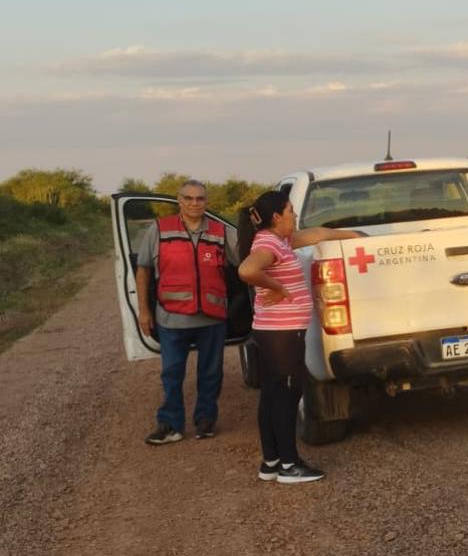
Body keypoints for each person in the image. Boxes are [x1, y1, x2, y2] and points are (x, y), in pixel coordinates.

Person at [237, 190, 364, 484]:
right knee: (287, 395)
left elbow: (318, 233)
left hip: (273, 331)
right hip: (281, 333)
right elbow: (247, 270)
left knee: (272, 394)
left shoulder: (279, 240)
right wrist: (278, 288)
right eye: (290, 210)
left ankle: (271, 462)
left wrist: (353, 235)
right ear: (276, 217)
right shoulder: (269, 244)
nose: (295, 214)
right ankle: (289, 465)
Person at [137, 179, 239, 444]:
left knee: (211, 372)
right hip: (171, 318)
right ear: (179, 201)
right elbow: (144, 269)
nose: (195, 203)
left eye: (200, 199)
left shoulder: (221, 231)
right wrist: (144, 311)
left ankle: (206, 419)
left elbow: (244, 260)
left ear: (207, 202)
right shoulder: (159, 229)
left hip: (211, 317)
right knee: (171, 373)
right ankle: (170, 424)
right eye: (189, 198)